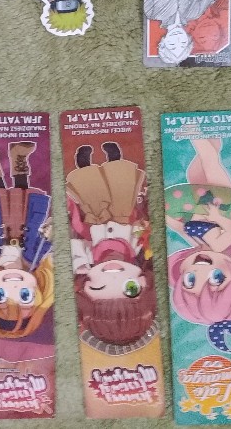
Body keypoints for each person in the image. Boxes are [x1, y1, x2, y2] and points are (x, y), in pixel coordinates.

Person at [165, 138, 231, 353]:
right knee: (210, 161)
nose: (199, 270)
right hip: (222, 203)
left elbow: (181, 229)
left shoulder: (198, 246)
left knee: (194, 173)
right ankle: (196, 134)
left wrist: (167, 218)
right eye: (216, 277)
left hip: (199, 203)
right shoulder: (220, 245)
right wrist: (217, 217)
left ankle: (212, 139)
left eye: (191, 280)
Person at [66, 142, 158, 348]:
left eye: (99, 287)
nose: (113, 276)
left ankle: (85, 165)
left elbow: (77, 243)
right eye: (131, 288)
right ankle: (114, 160)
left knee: (91, 196)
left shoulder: (84, 264)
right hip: (124, 218)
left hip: (95, 222)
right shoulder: (139, 256)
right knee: (121, 191)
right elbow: (142, 233)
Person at [0, 143, 55, 339]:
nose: (14, 288)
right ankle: (19, 158)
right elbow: (45, 242)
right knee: (21, 198)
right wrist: (51, 232)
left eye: (0, 296)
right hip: (25, 224)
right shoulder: (34, 261)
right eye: (25, 296)